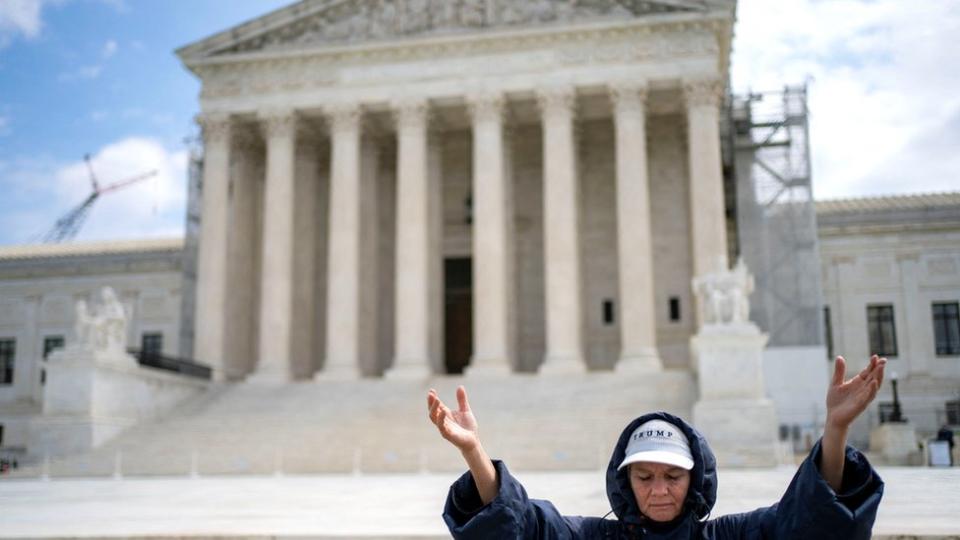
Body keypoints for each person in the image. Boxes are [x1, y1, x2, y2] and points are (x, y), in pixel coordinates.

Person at [426, 355, 887, 539]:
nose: (660, 490)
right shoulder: (593, 536)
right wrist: (473, 452)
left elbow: (809, 525)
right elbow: (519, 528)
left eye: (673, 476)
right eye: (644, 477)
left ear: (695, 479)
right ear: (625, 481)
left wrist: (835, 430)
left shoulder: (727, 537)